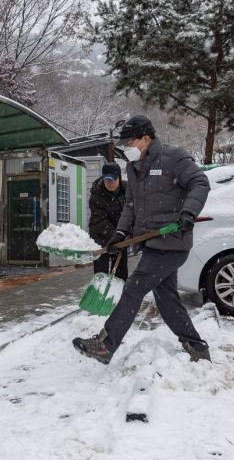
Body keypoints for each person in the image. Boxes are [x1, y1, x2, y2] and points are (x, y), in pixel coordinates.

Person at [73, 115, 212, 364]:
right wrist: (120, 233)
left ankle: (106, 344)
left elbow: (200, 182)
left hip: (172, 240)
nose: (126, 148)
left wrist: (188, 213)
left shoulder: (173, 157)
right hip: (152, 243)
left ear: (146, 138)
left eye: (129, 142)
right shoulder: (133, 168)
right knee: (167, 299)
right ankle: (196, 347)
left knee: (134, 287)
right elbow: (131, 204)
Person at [88, 162, 128, 281]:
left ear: (119, 178)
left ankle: (119, 295)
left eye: (112, 179)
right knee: (101, 273)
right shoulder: (96, 195)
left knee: (121, 274)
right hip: (101, 237)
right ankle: (100, 292)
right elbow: (100, 221)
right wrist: (117, 236)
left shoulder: (127, 191)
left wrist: (124, 234)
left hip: (121, 236)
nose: (109, 183)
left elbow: (131, 214)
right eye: (107, 180)